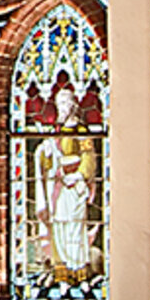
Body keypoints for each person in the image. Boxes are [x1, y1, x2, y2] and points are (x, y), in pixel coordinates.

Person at [36, 80, 99, 284]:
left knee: (74, 228)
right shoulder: (57, 132)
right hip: (60, 186)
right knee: (59, 227)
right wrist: (45, 154)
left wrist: (79, 175)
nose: (61, 107)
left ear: (73, 105)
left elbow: (89, 156)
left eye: (65, 103)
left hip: (75, 187)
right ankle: (61, 270)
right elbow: (49, 162)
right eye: (59, 104)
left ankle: (78, 270)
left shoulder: (81, 131)